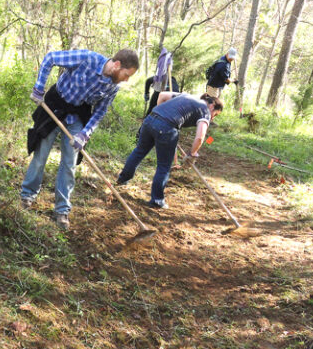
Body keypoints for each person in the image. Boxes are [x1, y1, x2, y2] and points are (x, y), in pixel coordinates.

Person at [21, 49, 139, 229]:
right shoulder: (87, 59)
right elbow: (51, 58)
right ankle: (27, 195)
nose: (126, 79)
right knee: (41, 154)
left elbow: (100, 111)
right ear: (117, 65)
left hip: (77, 115)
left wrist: (85, 133)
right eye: (126, 74)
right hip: (55, 105)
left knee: (69, 162)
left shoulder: (113, 86)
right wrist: (39, 87)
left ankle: (61, 209)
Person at [116, 92, 223, 209]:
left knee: (139, 151)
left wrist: (161, 117)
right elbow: (200, 137)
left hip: (151, 118)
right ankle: (157, 200)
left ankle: (123, 179)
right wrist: (192, 154)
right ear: (212, 106)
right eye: (215, 115)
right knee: (164, 166)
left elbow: (162, 95)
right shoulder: (205, 111)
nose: (212, 118)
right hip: (166, 127)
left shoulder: (186, 96)